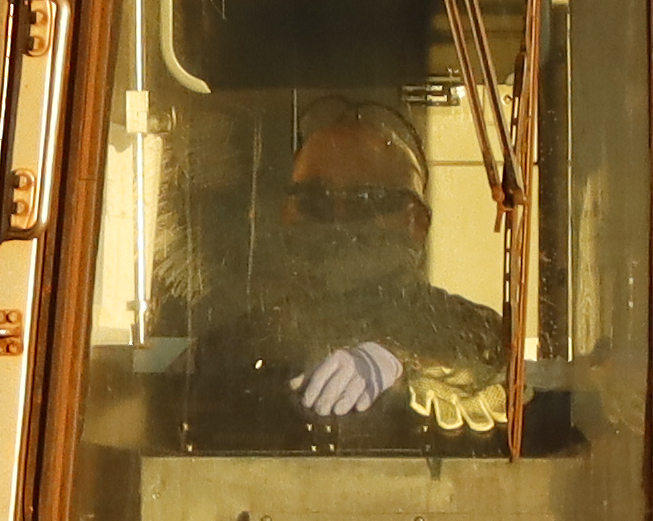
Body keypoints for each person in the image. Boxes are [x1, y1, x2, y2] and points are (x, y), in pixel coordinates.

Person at [206, 104, 507, 446]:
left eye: (366, 199)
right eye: (314, 200)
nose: (338, 220)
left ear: (416, 223)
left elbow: (495, 352)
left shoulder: (457, 327)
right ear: (287, 212)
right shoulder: (238, 344)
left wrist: (401, 363)